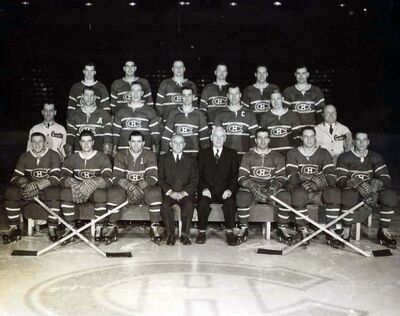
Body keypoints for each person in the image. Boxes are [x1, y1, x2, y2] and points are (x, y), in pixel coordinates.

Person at [336, 132, 397, 249]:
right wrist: (353, 182)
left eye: (364, 140)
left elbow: (386, 178)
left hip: (371, 193)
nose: (361, 142)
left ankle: (383, 231)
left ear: (368, 142)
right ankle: (346, 230)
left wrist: (376, 184)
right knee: (348, 194)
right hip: (353, 193)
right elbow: (340, 179)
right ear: (354, 141)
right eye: (358, 140)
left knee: (390, 195)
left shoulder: (376, 157)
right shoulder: (344, 157)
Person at [286, 126, 341, 247]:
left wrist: (317, 183)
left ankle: (331, 230)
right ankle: (303, 229)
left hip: (319, 192)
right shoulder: (293, 153)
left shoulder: (323, 152)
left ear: (315, 137)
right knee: (298, 193)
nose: (309, 140)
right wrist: (311, 179)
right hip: (302, 191)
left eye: (312, 137)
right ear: (301, 138)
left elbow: (331, 175)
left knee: (334, 192)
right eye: (306, 137)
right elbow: (292, 177)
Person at [106, 131, 162, 245]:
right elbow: (116, 177)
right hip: (126, 188)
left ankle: (154, 227)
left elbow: (153, 177)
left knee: (155, 192)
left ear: (143, 143)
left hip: (142, 188)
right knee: (114, 192)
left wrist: (140, 187)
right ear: (129, 143)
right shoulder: (121, 155)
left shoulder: (150, 155)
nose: (136, 144)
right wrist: (129, 186)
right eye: (133, 142)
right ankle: (112, 227)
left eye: (139, 142)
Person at [235, 128, 290, 245]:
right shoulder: (248, 156)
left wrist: (273, 188)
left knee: (285, 196)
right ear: (255, 140)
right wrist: (254, 187)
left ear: (269, 139)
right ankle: (244, 228)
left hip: (270, 189)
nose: (263, 141)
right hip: (253, 189)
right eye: (260, 138)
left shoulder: (277, 156)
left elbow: (281, 177)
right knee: (242, 196)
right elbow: (242, 177)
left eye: (265, 138)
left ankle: (282, 228)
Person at [4, 132, 61, 243]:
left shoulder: (53, 155)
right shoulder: (25, 156)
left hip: (46, 189)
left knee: (55, 192)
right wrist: (24, 184)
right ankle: (14, 228)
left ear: (45, 143)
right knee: (11, 192)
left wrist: (38, 185)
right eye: (34, 142)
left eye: (40, 142)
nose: (37, 144)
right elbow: (14, 177)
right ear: (30, 143)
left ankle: (52, 228)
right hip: (29, 189)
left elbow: (56, 177)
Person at [60, 130, 112, 245]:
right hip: (78, 190)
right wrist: (72, 183)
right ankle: (70, 227)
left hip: (94, 191)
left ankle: (99, 226)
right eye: (83, 141)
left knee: (101, 194)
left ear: (93, 142)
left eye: (89, 141)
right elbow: (62, 178)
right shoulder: (72, 158)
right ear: (79, 143)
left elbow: (109, 179)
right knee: (65, 193)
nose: (86, 144)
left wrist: (94, 182)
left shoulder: (102, 157)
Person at [196, 127, 240, 245]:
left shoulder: (232, 154)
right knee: (202, 204)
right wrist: (204, 188)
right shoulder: (203, 154)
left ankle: (230, 233)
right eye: (216, 136)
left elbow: (234, 176)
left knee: (230, 203)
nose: (218, 139)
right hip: (208, 191)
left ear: (225, 138)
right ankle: (201, 232)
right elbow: (198, 175)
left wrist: (230, 190)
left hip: (224, 191)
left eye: (221, 137)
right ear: (211, 138)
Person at [159, 134, 199, 245]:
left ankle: (185, 235)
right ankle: (170, 235)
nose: (178, 145)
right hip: (169, 194)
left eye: (181, 142)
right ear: (170, 144)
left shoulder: (191, 160)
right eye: (175, 142)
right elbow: (160, 179)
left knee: (189, 205)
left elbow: (195, 180)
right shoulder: (163, 159)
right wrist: (170, 192)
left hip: (185, 194)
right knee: (164, 206)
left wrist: (184, 192)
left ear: (184, 145)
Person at [112, 82, 161, 154]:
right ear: (129, 93)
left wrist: (154, 148)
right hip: (124, 151)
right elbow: (116, 132)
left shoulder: (150, 111)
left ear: (142, 93)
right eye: (133, 90)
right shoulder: (121, 111)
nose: (135, 93)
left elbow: (155, 133)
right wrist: (114, 148)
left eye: (138, 91)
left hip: (144, 151)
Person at [161, 86, 209, 156]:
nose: (186, 98)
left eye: (189, 95)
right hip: (175, 154)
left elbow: (204, 138)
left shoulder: (199, 114)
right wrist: (164, 151)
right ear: (181, 97)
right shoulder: (173, 113)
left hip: (193, 154)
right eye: (184, 95)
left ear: (193, 97)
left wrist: (206, 155)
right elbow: (166, 135)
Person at [65, 86, 112, 156]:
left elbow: (108, 138)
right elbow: (70, 138)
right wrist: (70, 157)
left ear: (95, 97)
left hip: (98, 155)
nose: (89, 98)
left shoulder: (103, 114)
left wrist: (105, 157)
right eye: (86, 95)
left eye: (91, 95)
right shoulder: (74, 114)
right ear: (82, 96)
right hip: (79, 155)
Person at [214, 84, 258, 155]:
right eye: (231, 94)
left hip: (244, 155)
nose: (234, 97)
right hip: (226, 155)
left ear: (240, 95)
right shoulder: (220, 113)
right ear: (227, 95)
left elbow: (254, 136)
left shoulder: (249, 113)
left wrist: (251, 154)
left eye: (236, 94)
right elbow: (216, 136)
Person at [259, 89, 301, 155]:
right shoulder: (265, 116)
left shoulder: (292, 114)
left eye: (278, 99)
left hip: (289, 152)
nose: (276, 102)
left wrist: (296, 153)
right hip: (271, 153)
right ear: (270, 101)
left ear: (282, 99)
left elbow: (297, 136)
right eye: (273, 99)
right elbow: (262, 136)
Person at [199, 63, 230, 128]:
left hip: (227, 124)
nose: (221, 73)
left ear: (227, 73)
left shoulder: (231, 88)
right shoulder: (208, 88)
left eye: (224, 71)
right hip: (211, 125)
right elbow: (202, 109)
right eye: (219, 70)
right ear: (215, 72)